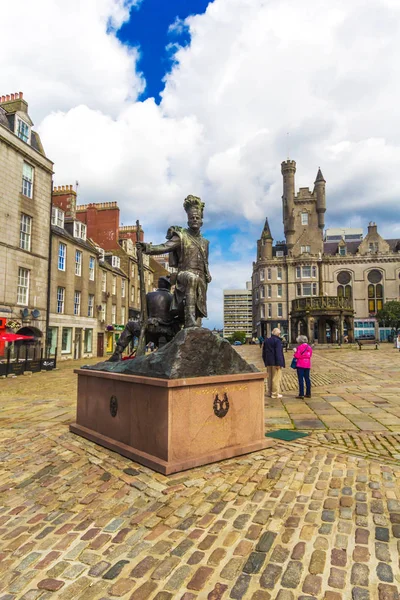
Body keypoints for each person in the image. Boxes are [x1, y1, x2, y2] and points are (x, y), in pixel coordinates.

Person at [138, 195, 211, 328]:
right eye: (191, 218)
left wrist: (207, 274)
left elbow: (205, 262)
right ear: (188, 220)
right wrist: (147, 248)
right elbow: (164, 247)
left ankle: (196, 327)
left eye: (197, 218)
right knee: (192, 278)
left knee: (200, 305)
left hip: (201, 277)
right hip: (184, 274)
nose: (194, 220)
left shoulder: (205, 243)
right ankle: (189, 321)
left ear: (201, 221)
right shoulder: (181, 236)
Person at [262, 328, 285, 399]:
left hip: (268, 362)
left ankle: (270, 392)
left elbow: (263, 353)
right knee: (276, 378)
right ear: (278, 334)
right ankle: (275, 394)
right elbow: (278, 353)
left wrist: (265, 361)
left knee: (269, 378)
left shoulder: (266, 340)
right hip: (275, 362)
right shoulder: (277, 341)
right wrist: (279, 363)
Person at [293, 335, 313, 399]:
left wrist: (295, 351)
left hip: (300, 365)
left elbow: (297, 356)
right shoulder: (309, 347)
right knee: (307, 379)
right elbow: (310, 356)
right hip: (307, 365)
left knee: (301, 379)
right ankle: (308, 393)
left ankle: (301, 394)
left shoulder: (300, 347)